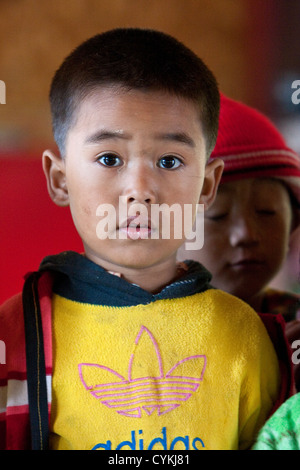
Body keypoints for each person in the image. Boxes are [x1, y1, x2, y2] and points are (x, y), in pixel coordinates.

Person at [0, 28, 281, 451]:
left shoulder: (243, 332)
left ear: (207, 185)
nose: (140, 188)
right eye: (109, 158)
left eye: (170, 160)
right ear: (60, 180)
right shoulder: (17, 334)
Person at [178, 93, 300, 391]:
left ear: (294, 222)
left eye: (267, 211)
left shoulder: (292, 321)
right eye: (218, 215)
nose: (245, 234)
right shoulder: (146, 338)